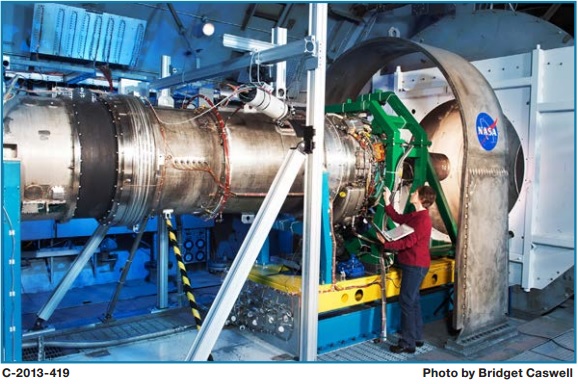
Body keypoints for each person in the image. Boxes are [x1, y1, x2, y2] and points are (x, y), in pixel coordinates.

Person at [376, 185, 437, 354]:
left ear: (422, 199)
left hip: (415, 265)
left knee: (406, 302)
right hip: (413, 263)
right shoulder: (416, 216)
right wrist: (387, 201)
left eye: (415, 193)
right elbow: (397, 217)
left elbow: (407, 243)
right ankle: (416, 337)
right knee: (413, 301)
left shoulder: (422, 220)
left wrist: (386, 243)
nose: (412, 193)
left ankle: (407, 343)